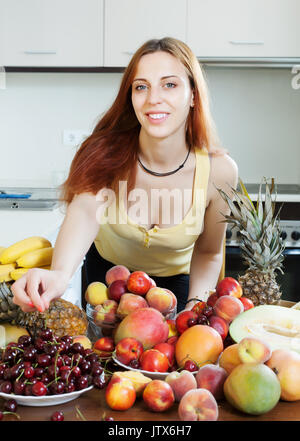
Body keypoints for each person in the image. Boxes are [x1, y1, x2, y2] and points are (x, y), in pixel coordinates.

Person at [11, 37, 238, 314]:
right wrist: (60, 274)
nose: (153, 98)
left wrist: (195, 307)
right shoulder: (103, 153)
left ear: (193, 95)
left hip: (176, 291)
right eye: (141, 87)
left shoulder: (220, 171)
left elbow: (209, 252)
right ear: (131, 97)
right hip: (107, 283)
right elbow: (84, 211)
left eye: (169, 84)